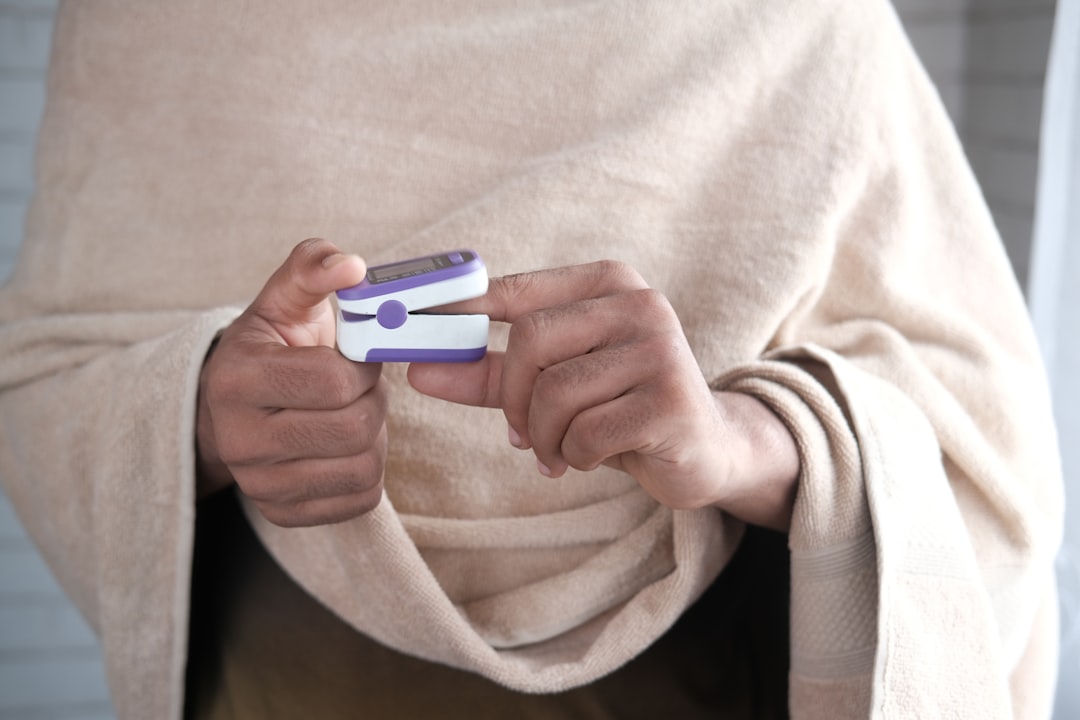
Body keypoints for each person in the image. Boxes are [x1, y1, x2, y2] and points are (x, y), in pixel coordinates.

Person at [0, 1, 1064, 719]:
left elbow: (989, 440)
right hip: (282, 675)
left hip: (700, 674)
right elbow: (44, 367)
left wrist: (746, 437)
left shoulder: (807, 21)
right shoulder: (151, 21)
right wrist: (205, 409)